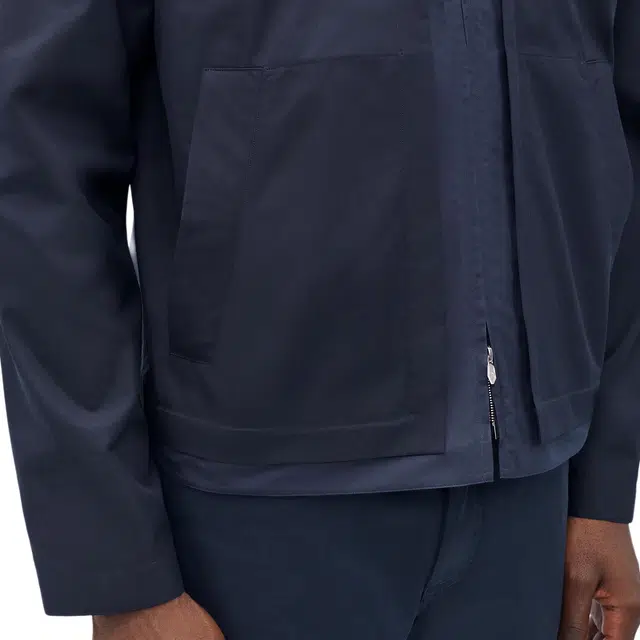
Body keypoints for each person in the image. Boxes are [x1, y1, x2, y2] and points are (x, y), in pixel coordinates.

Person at [1, 0, 640, 638]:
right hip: (255, 502)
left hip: (531, 504)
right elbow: (41, 165)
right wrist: (118, 568)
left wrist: (602, 487)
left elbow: (614, 119)